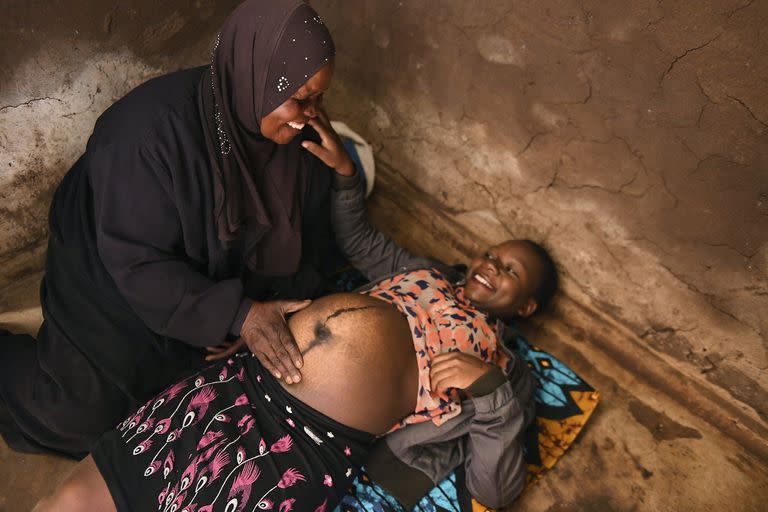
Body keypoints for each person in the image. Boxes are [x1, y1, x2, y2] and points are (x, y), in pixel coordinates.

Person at [32, 157, 557, 510]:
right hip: (242, 380)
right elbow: (359, 238)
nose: (491, 265)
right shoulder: (427, 271)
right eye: (492, 253)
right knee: (76, 499)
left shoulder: (507, 373)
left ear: (527, 306)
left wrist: (489, 392)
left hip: (303, 446)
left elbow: (498, 488)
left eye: (510, 271)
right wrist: (348, 176)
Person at [0, 0, 354, 459]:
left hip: (206, 277)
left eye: (319, 98)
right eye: (299, 98)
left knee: (202, 401)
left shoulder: (299, 144)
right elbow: (138, 262)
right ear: (254, 78)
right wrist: (241, 314)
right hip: (113, 254)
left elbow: (308, 248)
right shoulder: (146, 138)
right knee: (81, 412)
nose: (310, 114)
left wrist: (254, 310)